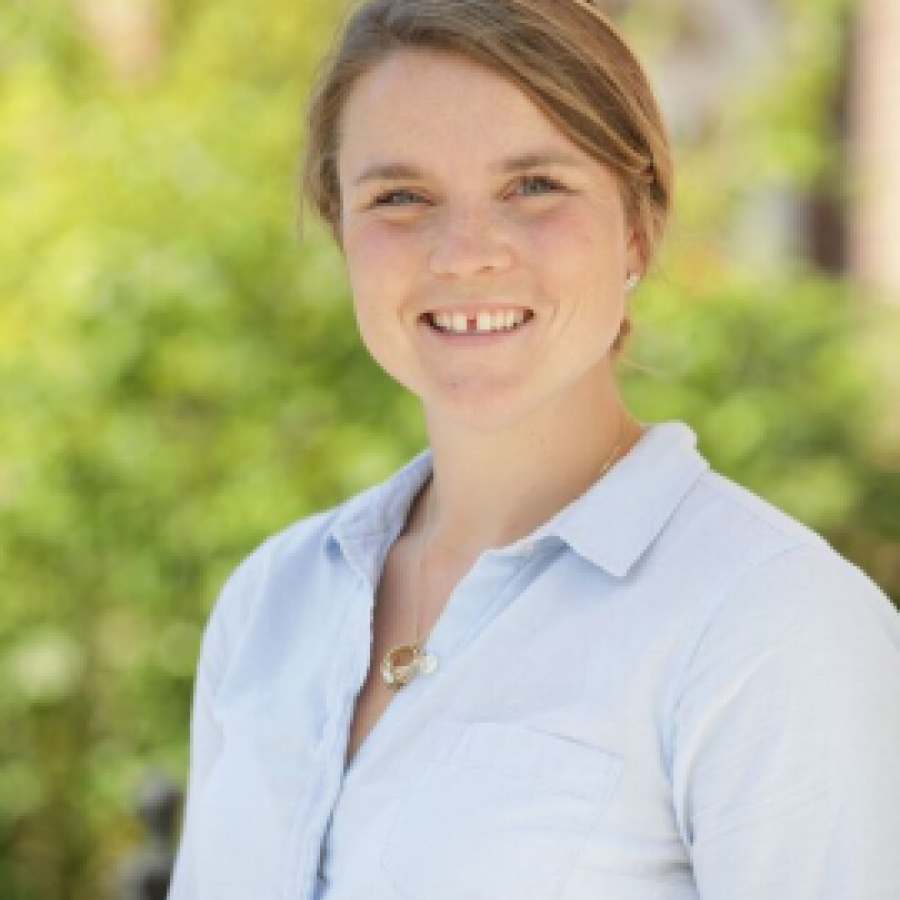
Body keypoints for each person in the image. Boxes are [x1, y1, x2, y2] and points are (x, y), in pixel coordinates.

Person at [166, 1, 900, 898]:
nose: (466, 253)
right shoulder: (270, 602)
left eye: (534, 186)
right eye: (401, 196)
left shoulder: (773, 622)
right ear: (341, 229)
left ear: (638, 225)